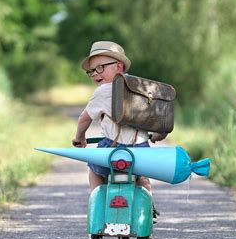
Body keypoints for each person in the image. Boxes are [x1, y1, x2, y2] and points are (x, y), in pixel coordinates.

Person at [72, 41, 167, 221]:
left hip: (111, 149)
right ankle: (148, 207)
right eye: (92, 71)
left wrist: (80, 137)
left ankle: (97, 206)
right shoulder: (142, 88)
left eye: (100, 68)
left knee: (94, 170)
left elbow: (85, 118)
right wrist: (157, 135)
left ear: (118, 66)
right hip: (140, 151)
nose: (95, 74)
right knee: (142, 177)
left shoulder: (103, 91)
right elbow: (159, 120)